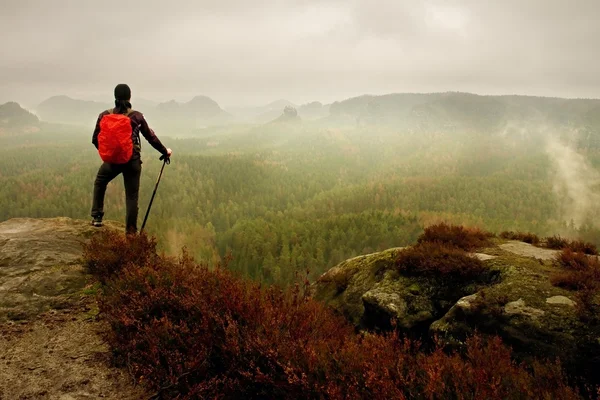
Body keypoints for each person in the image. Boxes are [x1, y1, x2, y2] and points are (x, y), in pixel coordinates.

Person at [90, 83, 172, 233]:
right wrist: (164, 151)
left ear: (115, 97)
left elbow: (95, 139)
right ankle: (131, 233)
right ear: (129, 97)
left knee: (100, 182)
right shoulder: (136, 116)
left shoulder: (104, 115)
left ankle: (97, 218)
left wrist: (109, 153)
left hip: (112, 161)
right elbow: (150, 137)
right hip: (132, 161)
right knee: (131, 197)